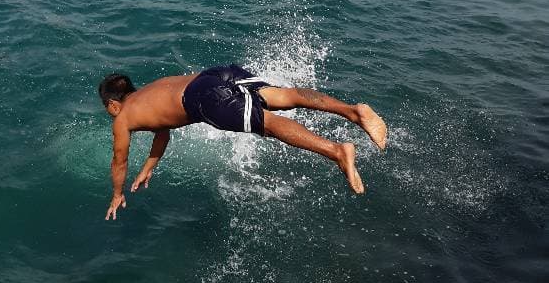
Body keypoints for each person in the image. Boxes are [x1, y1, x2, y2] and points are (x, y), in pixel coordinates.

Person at [98, 65, 388, 220]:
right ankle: (353, 111)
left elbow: (119, 160)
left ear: (112, 104)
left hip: (203, 99)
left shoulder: (122, 119)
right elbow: (163, 130)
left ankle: (337, 151)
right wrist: (150, 165)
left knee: (268, 124)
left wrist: (116, 194)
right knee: (284, 96)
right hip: (215, 75)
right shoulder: (152, 89)